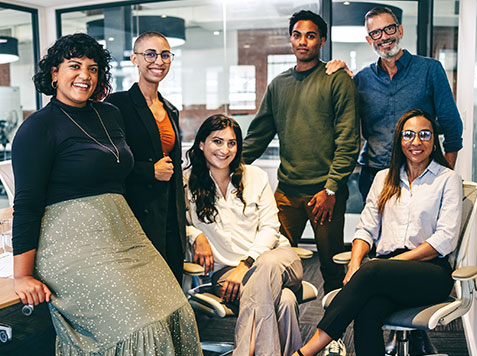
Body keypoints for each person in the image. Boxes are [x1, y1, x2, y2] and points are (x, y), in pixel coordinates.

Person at [11, 33, 202, 355]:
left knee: (177, 308)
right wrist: (22, 276)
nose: (84, 75)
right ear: (54, 73)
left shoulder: (109, 114)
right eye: (74, 66)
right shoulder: (37, 128)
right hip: (70, 244)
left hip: (123, 235)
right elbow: (26, 205)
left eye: (93, 68)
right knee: (142, 325)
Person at [291, 109, 463, 356]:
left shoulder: (447, 179)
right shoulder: (384, 178)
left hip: (430, 273)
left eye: (424, 134)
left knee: (373, 268)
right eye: (409, 135)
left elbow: (444, 239)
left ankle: (307, 351)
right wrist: (353, 265)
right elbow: (366, 228)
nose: (416, 142)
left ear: (434, 139)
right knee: (367, 312)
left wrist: (389, 264)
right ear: (399, 140)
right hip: (384, 273)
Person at [242, 10, 360, 294]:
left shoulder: (336, 80)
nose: (302, 41)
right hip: (286, 192)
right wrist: (226, 165)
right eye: (297, 35)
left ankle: (334, 336)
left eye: (310, 36)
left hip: (325, 194)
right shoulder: (279, 85)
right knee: (272, 260)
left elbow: (348, 140)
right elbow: (257, 137)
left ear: (321, 40)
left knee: (331, 269)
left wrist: (331, 189)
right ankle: (283, 327)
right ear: (290, 39)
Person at [185, 114, 303, 356]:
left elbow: (271, 228)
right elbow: (174, 223)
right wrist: (195, 235)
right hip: (226, 273)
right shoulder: (186, 183)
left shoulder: (255, 176)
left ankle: (246, 350)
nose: (225, 149)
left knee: (266, 265)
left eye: (231, 143)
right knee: (286, 301)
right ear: (201, 144)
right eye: (217, 141)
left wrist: (246, 264)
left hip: (277, 258)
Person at [326, 6, 463, 203]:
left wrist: (447, 175)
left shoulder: (430, 70)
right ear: (369, 40)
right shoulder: (361, 79)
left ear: (400, 30)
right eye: (375, 33)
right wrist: (340, 74)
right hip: (374, 175)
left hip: (421, 174)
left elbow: (452, 126)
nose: (383, 37)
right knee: (375, 232)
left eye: (389, 29)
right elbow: (343, 122)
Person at [106, 31, 185, 284]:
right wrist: (149, 171)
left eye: (164, 55)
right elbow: (108, 162)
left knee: (171, 285)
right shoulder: (117, 105)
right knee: (145, 289)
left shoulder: (170, 109)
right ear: (135, 59)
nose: (158, 61)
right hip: (136, 212)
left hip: (169, 212)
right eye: (150, 54)